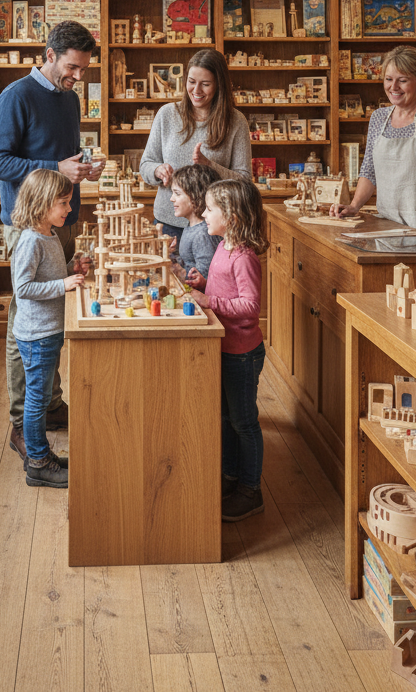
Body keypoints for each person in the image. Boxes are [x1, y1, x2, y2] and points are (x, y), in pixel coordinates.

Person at [0, 20, 104, 462]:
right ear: (49, 54)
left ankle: (49, 406)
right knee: (28, 322)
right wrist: (56, 166)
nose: (78, 77)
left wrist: (82, 168)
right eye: (73, 67)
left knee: (55, 313)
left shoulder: (69, 99)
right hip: (29, 225)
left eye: (84, 69)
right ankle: (22, 422)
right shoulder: (15, 96)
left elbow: (64, 160)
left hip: (62, 219)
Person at [188, 178, 269, 522]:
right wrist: (204, 283)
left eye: (210, 209)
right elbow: (224, 288)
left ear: (232, 217)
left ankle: (251, 490)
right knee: (226, 418)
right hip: (224, 347)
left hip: (242, 353)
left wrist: (211, 300)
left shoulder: (244, 257)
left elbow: (251, 305)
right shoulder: (223, 246)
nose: (204, 214)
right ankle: (231, 477)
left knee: (244, 423)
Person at [330, 45, 416, 242]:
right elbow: (369, 171)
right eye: (388, 79)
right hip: (386, 227)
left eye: (402, 81)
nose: (393, 87)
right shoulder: (378, 118)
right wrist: (354, 206)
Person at [10, 169, 89, 488]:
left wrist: (72, 269)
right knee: (37, 401)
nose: (69, 209)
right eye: (63, 203)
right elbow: (24, 288)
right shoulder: (30, 240)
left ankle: (43, 455)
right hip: (36, 334)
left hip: (48, 332)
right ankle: (39, 463)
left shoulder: (50, 234)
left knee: (40, 398)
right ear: (42, 203)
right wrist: (64, 283)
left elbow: (50, 275)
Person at [139, 48, 252, 243]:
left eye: (205, 84)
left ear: (219, 85)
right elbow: (145, 165)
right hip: (168, 223)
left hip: (214, 228)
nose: (196, 91)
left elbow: (245, 182)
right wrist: (158, 170)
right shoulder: (167, 114)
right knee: (169, 274)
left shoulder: (236, 121)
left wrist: (210, 166)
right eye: (191, 82)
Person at [168, 163, 221, 287]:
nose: (171, 198)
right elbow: (188, 263)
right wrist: (172, 255)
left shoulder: (202, 234)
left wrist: (178, 270)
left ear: (195, 196)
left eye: (177, 193)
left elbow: (204, 277)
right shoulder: (191, 227)